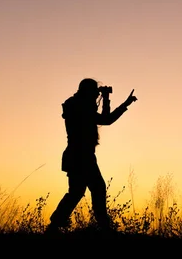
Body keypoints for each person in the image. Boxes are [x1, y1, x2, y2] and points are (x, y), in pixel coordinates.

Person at [46, 78, 137, 233]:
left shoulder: (76, 105)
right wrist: (116, 102)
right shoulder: (80, 107)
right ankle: (104, 227)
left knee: (76, 192)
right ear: (88, 91)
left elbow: (104, 119)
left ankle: (54, 225)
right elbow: (106, 119)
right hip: (82, 156)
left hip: (76, 155)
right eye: (95, 90)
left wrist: (113, 101)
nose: (97, 93)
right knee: (97, 188)